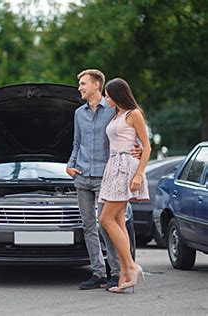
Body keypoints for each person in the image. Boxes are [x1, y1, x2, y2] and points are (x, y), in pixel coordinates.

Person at [67, 69, 140, 290]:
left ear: (96, 85)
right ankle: (97, 272)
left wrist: (138, 150)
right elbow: (76, 143)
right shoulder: (78, 113)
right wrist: (70, 164)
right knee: (88, 226)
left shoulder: (113, 110)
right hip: (82, 176)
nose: (79, 87)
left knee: (106, 225)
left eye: (83, 83)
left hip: (106, 176)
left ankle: (116, 271)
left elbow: (131, 135)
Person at [98, 78, 150, 293]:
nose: (106, 98)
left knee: (105, 219)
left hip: (126, 168)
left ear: (118, 95)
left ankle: (131, 265)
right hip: (112, 166)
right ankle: (125, 276)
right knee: (118, 220)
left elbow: (146, 147)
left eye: (108, 95)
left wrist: (138, 175)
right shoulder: (116, 115)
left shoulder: (133, 114)